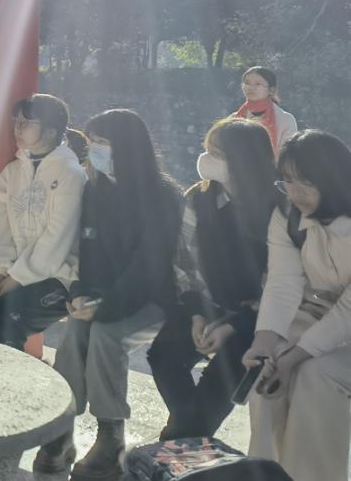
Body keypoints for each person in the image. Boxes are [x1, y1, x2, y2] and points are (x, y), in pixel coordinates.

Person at [35, 110, 181, 480]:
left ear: (128, 147)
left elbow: (149, 264)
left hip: (153, 299)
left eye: (102, 142)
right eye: (92, 142)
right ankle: (61, 428)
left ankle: (111, 435)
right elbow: (90, 249)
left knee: (105, 335)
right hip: (104, 295)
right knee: (75, 331)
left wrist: (106, 307)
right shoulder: (95, 189)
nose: (94, 150)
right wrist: (81, 294)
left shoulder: (163, 195)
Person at [147, 116, 279, 440]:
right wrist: (197, 312)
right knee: (163, 355)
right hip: (211, 302)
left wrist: (236, 324)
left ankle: (177, 439)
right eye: (207, 149)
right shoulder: (200, 198)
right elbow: (185, 261)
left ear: (245, 159)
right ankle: (186, 435)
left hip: (261, 318)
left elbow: (281, 283)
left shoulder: (279, 207)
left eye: (217, 153)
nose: (207, 159)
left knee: (226, 371)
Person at [244, 130, 351, 481]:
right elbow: (283, 282)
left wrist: (295, 357)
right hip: (316, 312)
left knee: (316, 376)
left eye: (306, 182)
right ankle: (264, 473)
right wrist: (264, 342)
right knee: (267, 371)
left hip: (343, 322)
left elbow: (348, 311)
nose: (295, 193)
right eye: (287, 181)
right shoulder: (287, 215)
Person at [0, 93, 85, 349]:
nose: (17, 128)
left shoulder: (71, 174)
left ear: (50, 131)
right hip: (13, 271)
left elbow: (57, 239)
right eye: (16, 121)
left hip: (60, 276)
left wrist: (17, 278)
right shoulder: (11, 173)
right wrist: (0, 272)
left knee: (3, 317)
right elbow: (0, 232)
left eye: (26, 122)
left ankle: (7, 376)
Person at [234, 66, 298, 154]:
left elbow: (286, 156)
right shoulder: (234, 119)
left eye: (258, 84)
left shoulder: (285, 120)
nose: (250, 87)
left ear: (271, 90)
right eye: (247, 83)